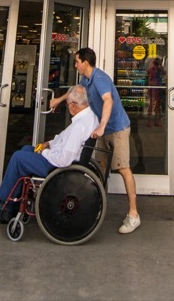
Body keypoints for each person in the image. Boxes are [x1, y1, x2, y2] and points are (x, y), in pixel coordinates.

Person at [50, 47, 141, 234]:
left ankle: (134, 214)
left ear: (85, 62)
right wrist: (58, 100)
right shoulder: (85, 79)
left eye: (77, 62)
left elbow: (108, 101)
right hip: (102, 129)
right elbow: (75, 92)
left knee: (123, 168)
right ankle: (96, 205)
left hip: (117, 128)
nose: (75, 65)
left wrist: (101, 126)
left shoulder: (99, 79)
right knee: (100, 167)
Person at [0, 84, 98, 220]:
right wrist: (48, 144)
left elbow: (64, 159)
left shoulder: (79, 126)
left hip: (57, 165)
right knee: (26, 150)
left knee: (18, 158)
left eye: (67, 103)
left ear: (74, 105)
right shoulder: (88, 117)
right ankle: (13, 205)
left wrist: (44, 152)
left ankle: (4, 204)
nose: (67, 106)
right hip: (61, 156)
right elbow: (64, 138)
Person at [146, 57, 164, 125]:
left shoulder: (160, 70)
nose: (158, 65)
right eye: (158, 64)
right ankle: (149, 121)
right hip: (153, 89)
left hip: (159, 89)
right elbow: (149, 82)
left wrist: (161, 68)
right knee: (151, 105)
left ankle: (157, 120)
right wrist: (155, 83)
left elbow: (164, 73)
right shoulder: (151, 71)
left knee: (158, 105)